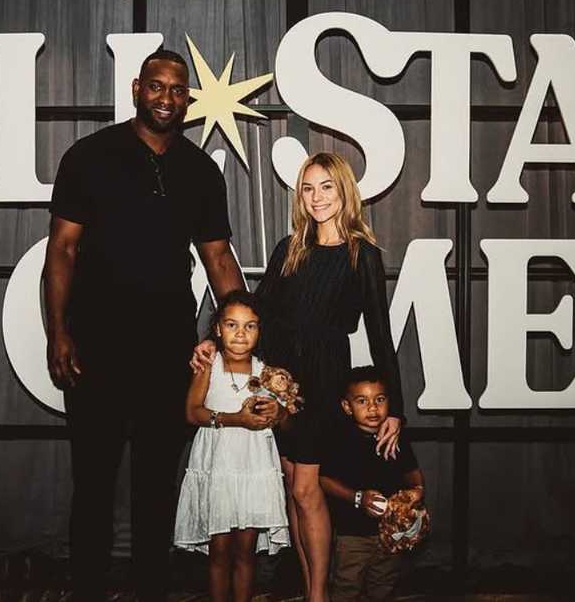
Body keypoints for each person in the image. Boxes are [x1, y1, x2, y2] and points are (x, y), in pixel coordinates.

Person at [44, 49, 244, 601]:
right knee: (93, 484)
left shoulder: (200, 171)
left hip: (168, 354)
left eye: (177, 90)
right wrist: (57, 331)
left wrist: (245, 330)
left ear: (188, 98)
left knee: (156, 488)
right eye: (156, 87)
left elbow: (219, 260)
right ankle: (87, 589)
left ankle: (150, 590)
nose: (166, 98)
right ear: (137, 88)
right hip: (96, 349)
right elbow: (61, 250)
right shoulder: (89, 157)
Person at [193, 152, 405, 602]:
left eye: (326, 186)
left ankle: (317, 596)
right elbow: (258, 310)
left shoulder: (362, 255)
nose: (316, 197)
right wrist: (216, 334)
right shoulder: (289, 249)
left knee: (308, 488)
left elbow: (382, 335)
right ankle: (313, 588)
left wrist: (396, 410)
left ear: (344, 191)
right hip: (280, 378)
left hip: (325, 378)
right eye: (308, 188)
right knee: (292, 483)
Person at [174, 290, 290, 602]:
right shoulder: (208, 364)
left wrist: (277, 413)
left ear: (260, 331)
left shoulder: (266, 371)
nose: (241, 334)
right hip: (219, 467)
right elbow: (192, 411)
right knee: (219, 554)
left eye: (250, 326)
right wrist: (236, 419)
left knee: (245, 554)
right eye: (232, 325)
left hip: (253, 468)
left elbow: (285, 419)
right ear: (217, 329)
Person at [319, 367, 425, 602]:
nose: (373, 408)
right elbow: (324, 480)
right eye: (362, 401)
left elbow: (413, 474)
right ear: (347, 407)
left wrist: (416, 493)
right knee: (346, 587)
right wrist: (358, 497)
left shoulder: (396, 438)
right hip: (351, 535)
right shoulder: (340, 439)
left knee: (384, 587)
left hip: (390, 532)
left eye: (379, 399)